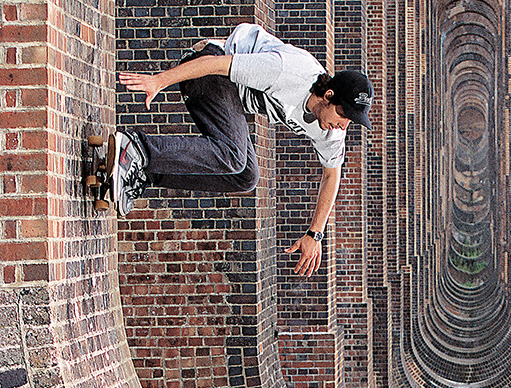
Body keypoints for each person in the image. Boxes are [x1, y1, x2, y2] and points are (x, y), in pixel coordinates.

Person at [116, 24, 373, 277]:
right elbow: (218, 65)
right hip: (209, 63)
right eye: (342, 114)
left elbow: (332, 175)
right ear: (328, 95)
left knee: (246, 176)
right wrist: (160, 81)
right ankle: (136, 149)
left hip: (229, 92)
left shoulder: (331, 130)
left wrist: (314, 233)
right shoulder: (289, 72)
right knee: (233, 155)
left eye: (349, 121)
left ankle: (144, 172)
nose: (341, 125)